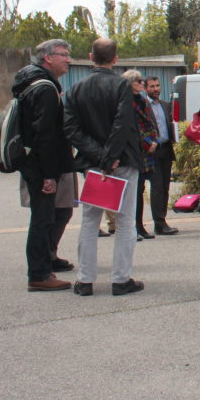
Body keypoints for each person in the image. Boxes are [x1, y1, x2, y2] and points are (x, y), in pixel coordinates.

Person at [63, 37, 145, 296]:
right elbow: (122, 123)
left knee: (89, 221)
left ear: (90, 57)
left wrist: (99, 157)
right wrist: (109, 157)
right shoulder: (121, 85)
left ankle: (85, 280)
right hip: (120, 162)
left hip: (93, 164)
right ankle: (121, 279)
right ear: (115, 59)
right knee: (124, 221)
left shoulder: (75, 88)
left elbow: (71, 130)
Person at [13, 39, 75, 292]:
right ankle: (39, 274)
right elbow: (45, 135)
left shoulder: (29, 82)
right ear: (47, 58)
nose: (68, 60)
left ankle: (43, 269)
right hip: (40, 166)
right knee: (42, 220)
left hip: (32, 163)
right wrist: (50, 175)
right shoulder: (45, 88)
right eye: (64, 55)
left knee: (44, 218)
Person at [123, 71, 160, 241]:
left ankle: (139, 225)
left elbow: (149, 123)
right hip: (135, 149)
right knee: (133, 191)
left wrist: (154, 140)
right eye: (139, 81)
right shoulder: (126, 102)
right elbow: (134, 127)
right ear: (130, 83)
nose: (143, 84)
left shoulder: (142, 100)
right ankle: (132, 227)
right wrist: (147, 143)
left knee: (140, 189)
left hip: (146, 149)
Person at [144, 76, 179, 235]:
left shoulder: (165, 105)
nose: (156, 89)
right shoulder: (143, 106)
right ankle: (158, 222)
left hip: (166, 148)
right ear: (145, 88)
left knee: (165, 186)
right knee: (157, 187)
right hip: (152, 151)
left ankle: (162, 219)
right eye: (152, 86)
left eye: (157, 85)